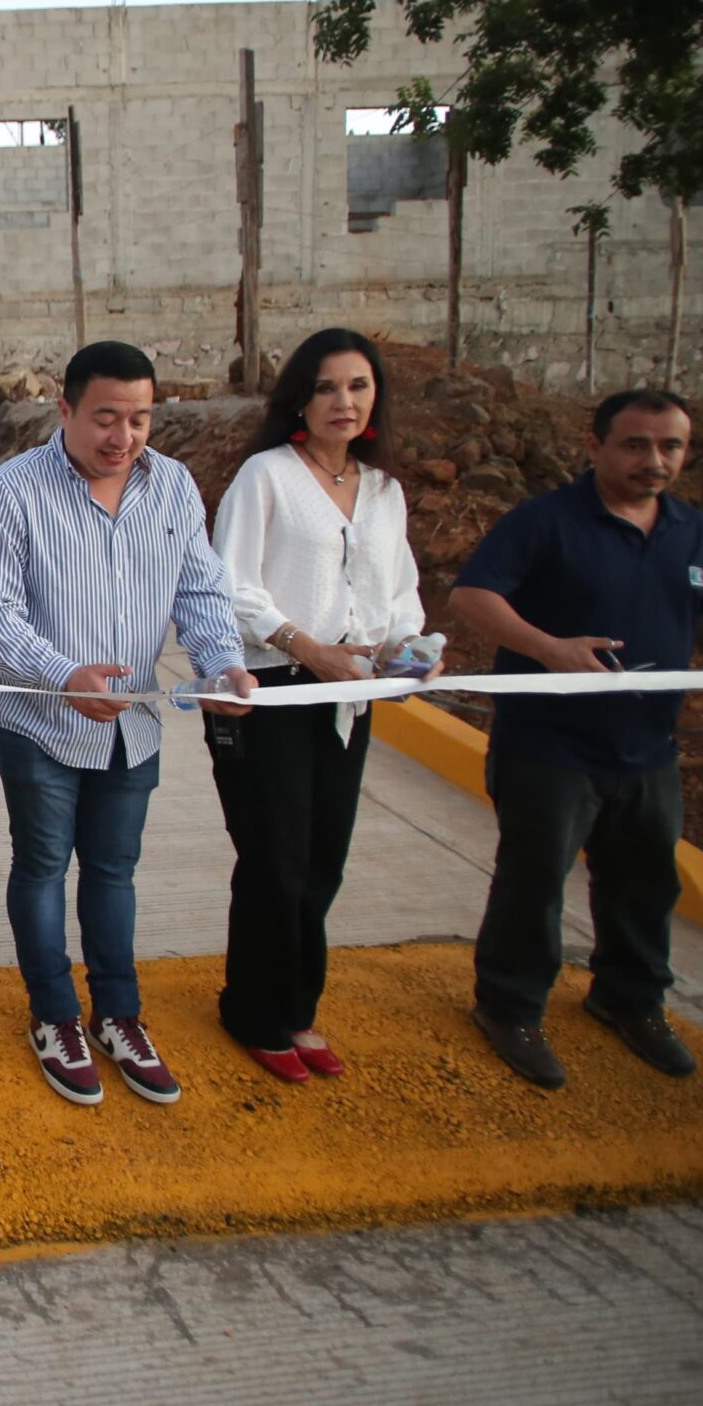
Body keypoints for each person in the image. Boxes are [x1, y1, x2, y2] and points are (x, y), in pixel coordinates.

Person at [450, 388, 703, 1089]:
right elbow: (473, 597)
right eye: (636, 445)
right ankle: (511, 1008)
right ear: (596, 446)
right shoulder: (547, 523)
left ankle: (630, 999)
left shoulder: (691, 530)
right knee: (534, 886)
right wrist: (548, 647)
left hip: (648, 748)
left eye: (670, 447)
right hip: (549, 748)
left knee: (645, 884)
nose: (655, 460)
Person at [0, 340, 253, 1109]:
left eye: (138, 418)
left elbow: (200, 590)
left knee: (116, 871)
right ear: (64, 410)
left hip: (134, 726)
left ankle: (119, 1017)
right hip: (38, 721)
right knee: (43, 868)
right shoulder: (12, 492)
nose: (122, 436)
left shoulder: (175, 488)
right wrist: (64, 674)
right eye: (104, 418)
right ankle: (55, 1015)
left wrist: (223, 662)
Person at [208, 329, 433, 1084]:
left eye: (359, 387)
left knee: (322, 858)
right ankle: (254, 1012)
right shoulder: (267, 477)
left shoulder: (383, 490)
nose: (345, 401)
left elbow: (396, 589)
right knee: (274, 858)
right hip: (272, 689)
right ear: (300, 397)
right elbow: (231, 584)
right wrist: (304, 646)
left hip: (348, 696)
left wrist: (408, 647)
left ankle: (298, 1009)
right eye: (329, 386)